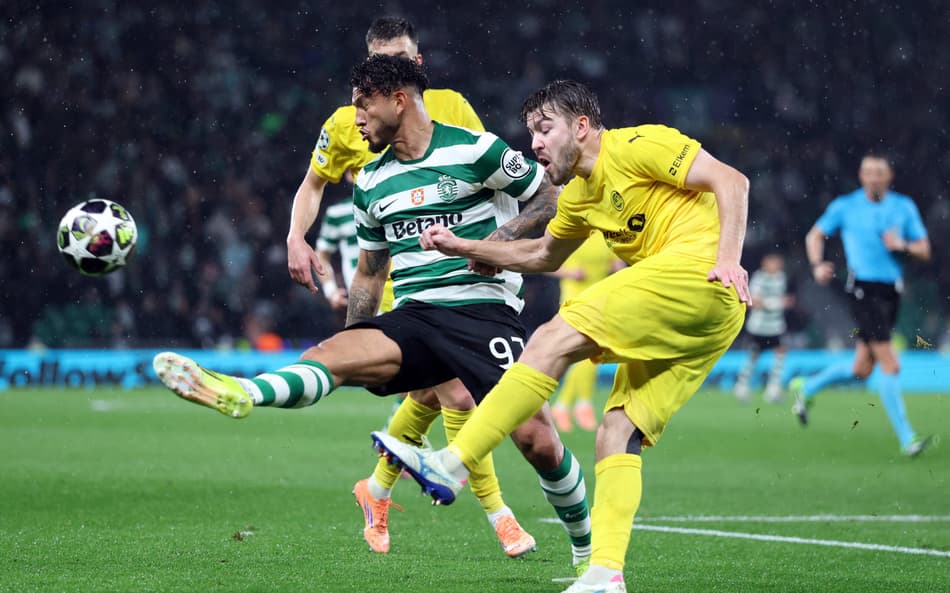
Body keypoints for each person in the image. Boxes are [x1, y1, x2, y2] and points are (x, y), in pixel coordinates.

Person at [153, 56, 592, 571]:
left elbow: (548, 196)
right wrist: (359, 337)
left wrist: (497, 238)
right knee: (332, 353)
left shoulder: (475, 149)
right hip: (416, 317)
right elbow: (369, 273)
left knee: (537, 440)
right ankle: (243, 393)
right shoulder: (371, 182)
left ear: (397, 100)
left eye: (363, 105)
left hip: (482, 313)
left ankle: (589, 558)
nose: (355, 118)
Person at [372, 80, 750, 593]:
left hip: (699, 272)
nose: (535, 144)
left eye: (544, 129)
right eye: (531, 133)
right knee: (616, 430)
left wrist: (727, 258)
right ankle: (605, 573)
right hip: (712, 318)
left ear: (581, 126)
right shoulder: (576, 198)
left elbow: (733, 181)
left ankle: (452, 464)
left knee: (552, 337)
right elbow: (542, 256)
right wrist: (463, 246)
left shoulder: (638, 145)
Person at [287, 17, 538, 559]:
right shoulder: (347, 120)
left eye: (401, 56)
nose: (393, 65)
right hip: (402, 279)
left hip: (460, 271)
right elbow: (313, 184)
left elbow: (485, 169)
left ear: (416, 65)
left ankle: (375, 490)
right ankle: (501, 517)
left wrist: (495, 245)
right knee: (458, 391)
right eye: (381, 56)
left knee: (429, 393)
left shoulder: (452, 108)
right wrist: (295, 236)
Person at [791, 153, 932, 457]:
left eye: (879, 172)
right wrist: (817, 264)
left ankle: (808, 387)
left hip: (891, 291)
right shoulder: (846, 206)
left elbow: (924, 249)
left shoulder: (903, 207)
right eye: (868, 171)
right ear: (861, 175)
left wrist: (902, 246)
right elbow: (815, 235)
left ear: (889, 175)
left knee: (862, 368)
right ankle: (908, 439)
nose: (873, 177)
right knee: (890, 363)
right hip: (862, 290)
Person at [546, 231, 622, 431]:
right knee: (584, 350)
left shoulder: (606, 234)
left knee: (594, 351)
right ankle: (581, 404)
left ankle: (566, 404)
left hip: (598, 297)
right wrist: (571, 273)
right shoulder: (572, 232)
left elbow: (615, 263)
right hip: (574, 297)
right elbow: (546, 263)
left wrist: (618, 269)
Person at [733, 252, 794, 403]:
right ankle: (741, 386)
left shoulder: (781, 278)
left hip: (775, 326)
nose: (777, 265)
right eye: (774, 262)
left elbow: (785, 299)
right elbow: (752, 300)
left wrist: (782, 303)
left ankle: (773, 388)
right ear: (765, 263)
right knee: (754, 355)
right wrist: (776, 303)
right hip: (759, 326)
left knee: (780, 354)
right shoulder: (760, 278)